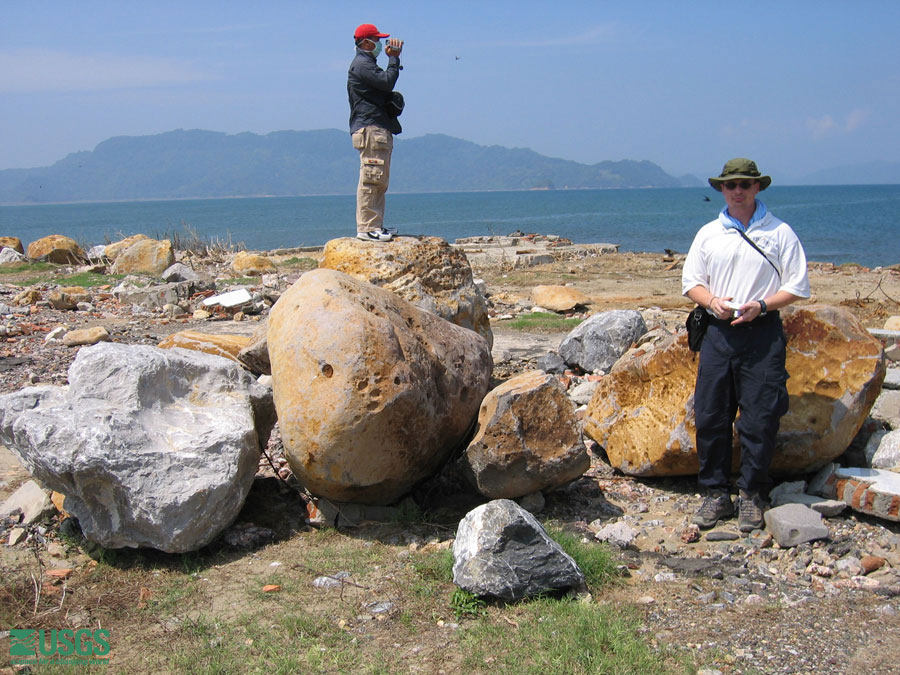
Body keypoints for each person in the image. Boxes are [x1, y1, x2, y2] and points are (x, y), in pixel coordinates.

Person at [682, 158, 811, 532]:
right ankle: (714, 494)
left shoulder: (780, 232)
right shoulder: (708, 233)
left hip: (762, 332)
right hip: (719, 333)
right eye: (730, 185)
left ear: (757, 188)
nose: (737, 190)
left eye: (744, 184)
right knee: (711, 415)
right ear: (721, 190)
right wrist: (710, 303)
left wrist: (762, 306)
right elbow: (692, 281)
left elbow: (796, 285)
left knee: (761, 417)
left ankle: (753, 495)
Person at [347, 23, 404, 242]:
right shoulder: (362, 64)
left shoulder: (367, 64)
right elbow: (386, 82)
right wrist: (394, 59)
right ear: (366, 42)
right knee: (371, 178)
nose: (380, 44)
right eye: (377, 40)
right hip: (370, 129)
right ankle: (367, 227)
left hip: (377, 128)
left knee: (379, 180)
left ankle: (376, 225)